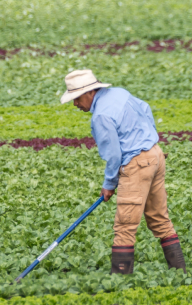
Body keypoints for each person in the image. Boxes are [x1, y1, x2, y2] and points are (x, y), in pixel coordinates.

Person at [61, 69, 185, 275]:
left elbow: (113, 155)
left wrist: (109, 184)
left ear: (89, 92)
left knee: (125, 225)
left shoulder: (100, 116)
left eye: (76, 99)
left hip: (136, 164)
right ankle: (180, 273)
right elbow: (146, 109)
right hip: (155, 155)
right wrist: (149, 141)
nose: (75, 104)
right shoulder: (120, 93)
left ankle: (119, 279)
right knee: (160, 218)